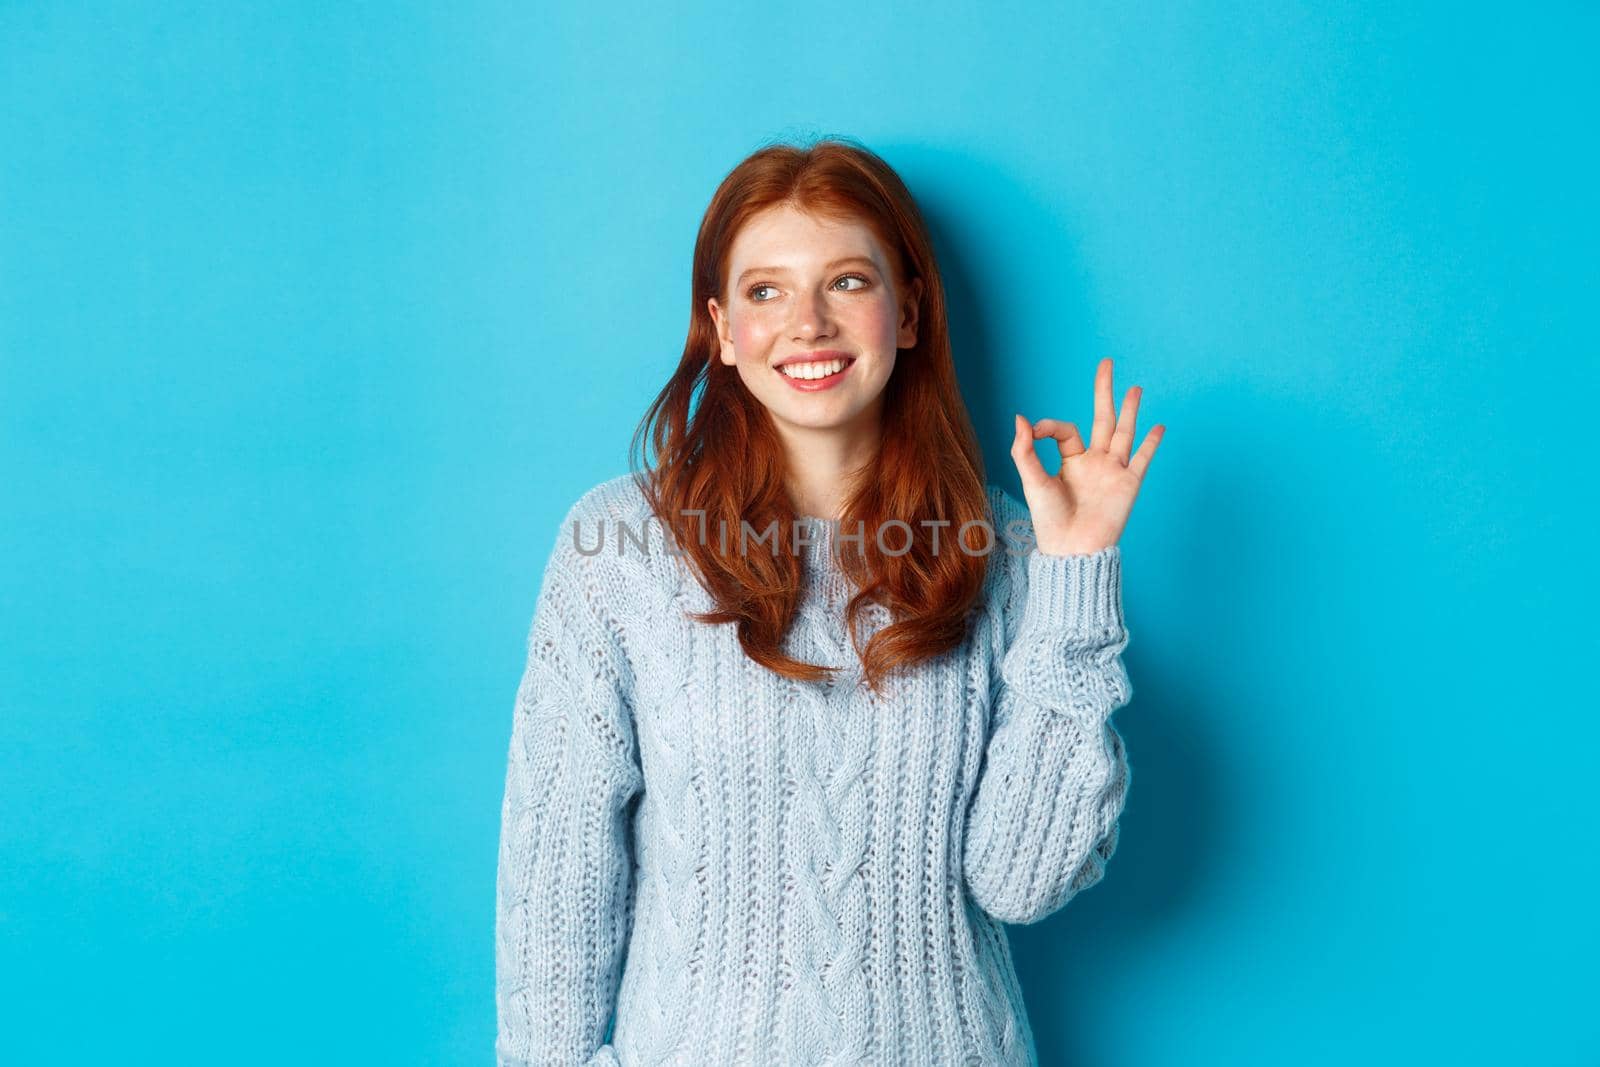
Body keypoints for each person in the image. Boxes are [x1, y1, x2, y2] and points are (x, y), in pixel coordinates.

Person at [495, 136, 1164, 1067]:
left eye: (848, 281)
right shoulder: (620, 549)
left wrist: (1076, 573)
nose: (807, 323)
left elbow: (1022, 877)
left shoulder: (1010, 550)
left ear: (909, 313)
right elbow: (559, 875)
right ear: (723, 329)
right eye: (766, 291)